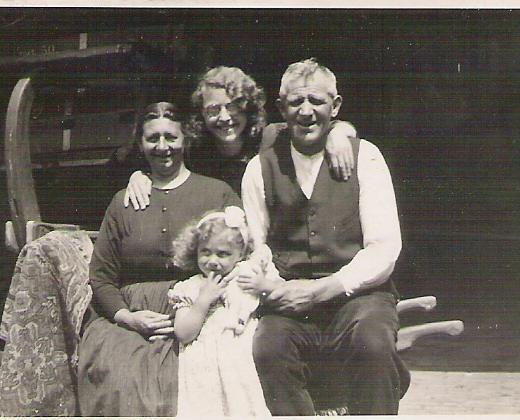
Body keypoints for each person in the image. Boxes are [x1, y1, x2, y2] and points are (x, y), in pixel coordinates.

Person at [240, 58, 411, 415]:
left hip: (359, 297)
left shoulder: (367, 158)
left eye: (316, 101)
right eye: (295, 102)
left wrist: (322, 290)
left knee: (373, 344)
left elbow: (383, 249)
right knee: (267, 350)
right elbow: (258, 248)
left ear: (335, 106)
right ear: (281, 108)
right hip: (289, 298)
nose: (306, 112)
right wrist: (278, 289)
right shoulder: (260, 167)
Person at [76, 102, 241, 416]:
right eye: (153, 138)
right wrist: (127, 318)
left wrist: (207, 300)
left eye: (171, 137)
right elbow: (101, 276)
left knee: (198, 376)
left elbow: (243, 252)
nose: (162, 147)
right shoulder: (123, 201)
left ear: (185, 140)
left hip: (201, 310)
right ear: (141, 144)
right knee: (120, 377)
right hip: (131, 317)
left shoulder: (216, 193)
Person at [122, 66, 359, 209]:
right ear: (201, 114)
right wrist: (139, 176)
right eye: (213, 110)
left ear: (248, 108)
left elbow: (317, 126)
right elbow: (156, 160)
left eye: (233, 107)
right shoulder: (196, 150)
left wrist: (338, 132)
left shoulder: (271, 137)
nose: (224, 118)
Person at [167, 206, 280, 416]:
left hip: (242, 349)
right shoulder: (191, 287)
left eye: (223, 254)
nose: (212, 261)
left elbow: (280, 291)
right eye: (205, 252)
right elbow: (183, 333)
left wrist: (263, 285)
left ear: (241, 254)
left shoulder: (246, 276)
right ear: (195, 250)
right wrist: (203, 300)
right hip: (204, 358)